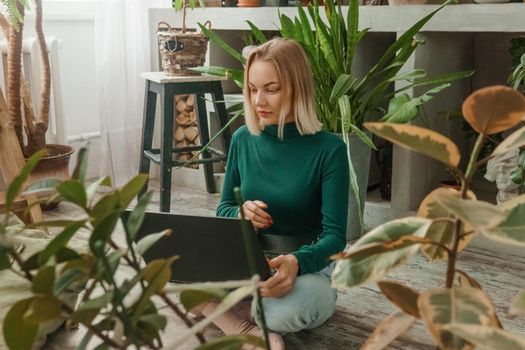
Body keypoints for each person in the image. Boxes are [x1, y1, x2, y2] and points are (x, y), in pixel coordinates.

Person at [195, 37, 350, 349]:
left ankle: (223, 307)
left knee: (291, 306)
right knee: (164, 267)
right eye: (252, 89)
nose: (258, 101)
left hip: (306, 266)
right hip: (245, 260)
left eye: (271, 89)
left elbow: (335, 237)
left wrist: (296, 261)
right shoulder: (242, 139)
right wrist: (240, 212)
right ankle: (241, 324)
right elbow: (224, 208)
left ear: (297, 88)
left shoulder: (330, 149)